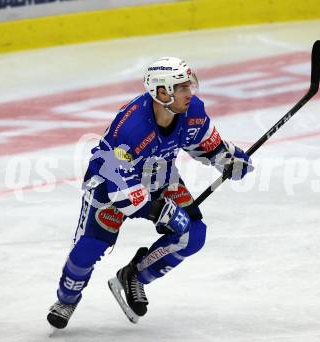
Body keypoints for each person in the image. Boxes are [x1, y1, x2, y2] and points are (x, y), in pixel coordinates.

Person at [47, 57, 254, 328]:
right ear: (161, 92)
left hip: (160, 177)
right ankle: (66, 299)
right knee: (87, 250)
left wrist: (229, 159)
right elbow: (123, 193)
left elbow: (207, 144)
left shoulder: (194, 112)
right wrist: (161, 212)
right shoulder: (131, 128)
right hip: (110, 184)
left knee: (193, 234)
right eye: (181, 88)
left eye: (188, 86)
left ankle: (134, 276)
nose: (189, 93)